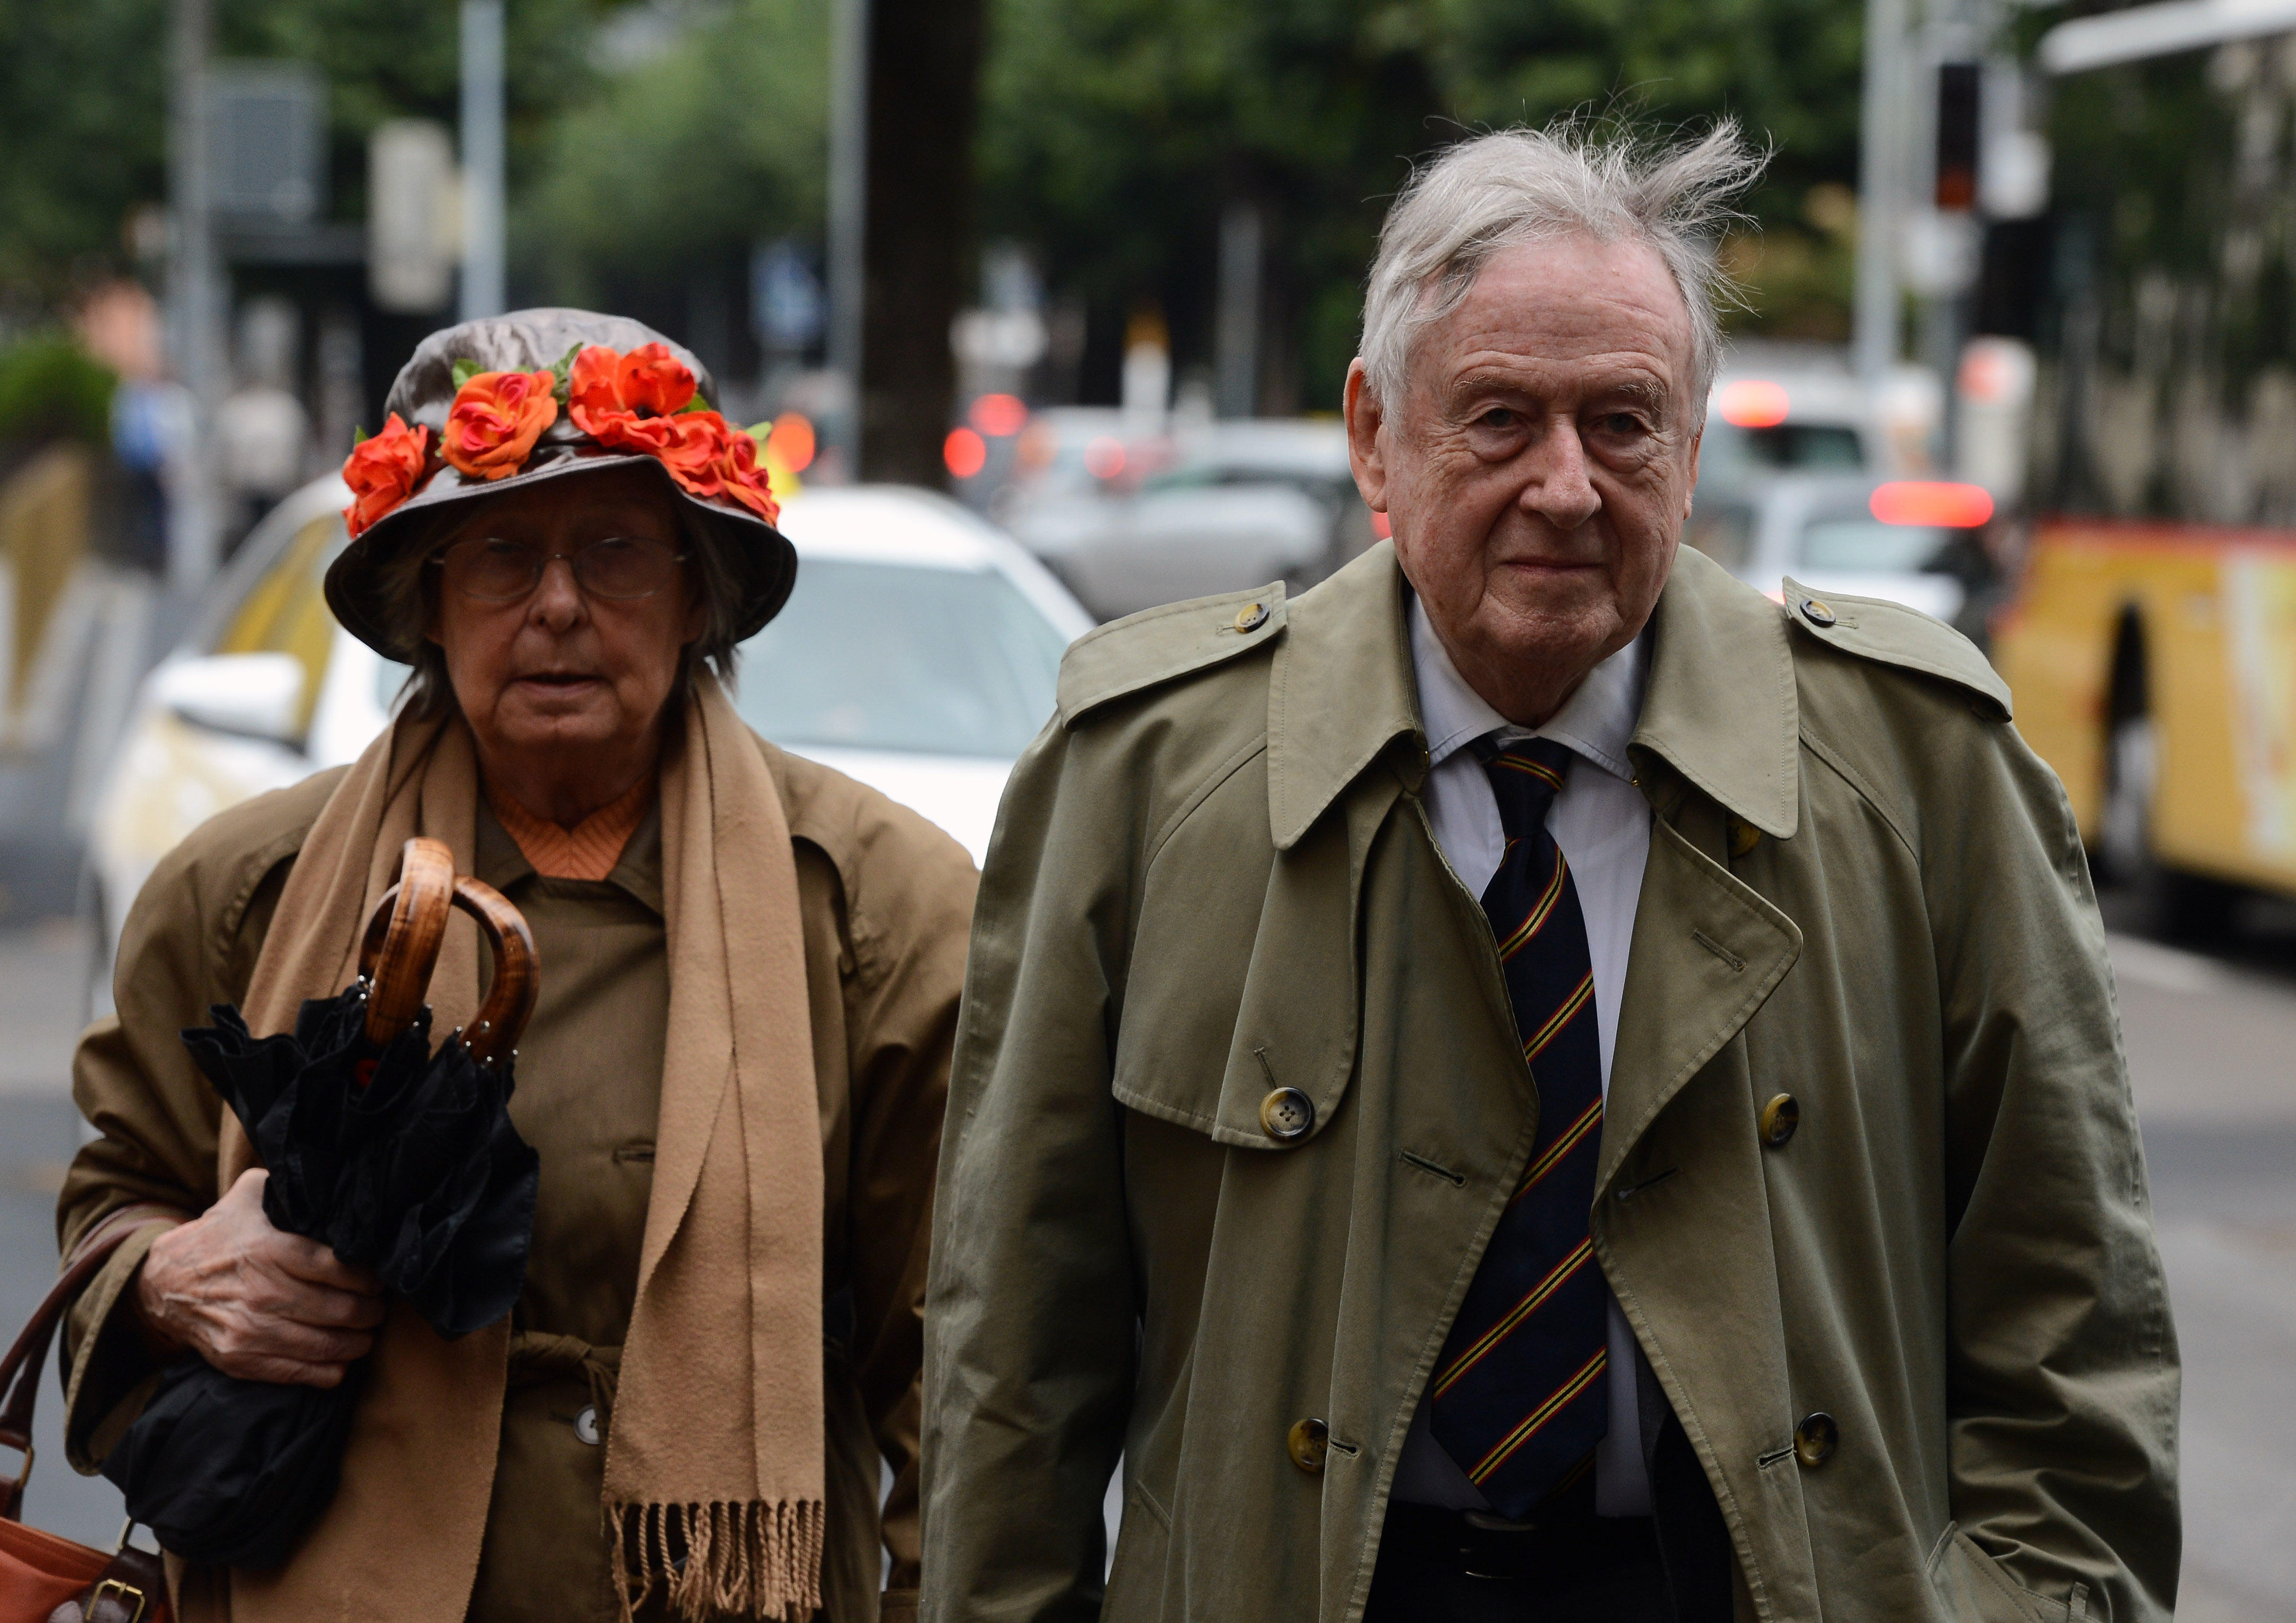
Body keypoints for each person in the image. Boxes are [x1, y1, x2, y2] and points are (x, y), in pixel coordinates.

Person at [919, 123, 2179, 1622]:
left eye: (1622, 423)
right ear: (1375, 437)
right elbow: (1015, 1353)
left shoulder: (1919, 775)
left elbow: (2070, 1327)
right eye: (1499, 419)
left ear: (1693, 447)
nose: (1565, 487)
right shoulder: (1143, 780)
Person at [57, 310, 974, 1623]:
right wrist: (169, 1279)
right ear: (425, 598)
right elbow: (114, 1203)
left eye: (612, 551)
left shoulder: (880, 910)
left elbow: (959, 1365)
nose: (556, 606)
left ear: (697, 590)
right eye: (498, 554)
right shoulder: (245, 893)